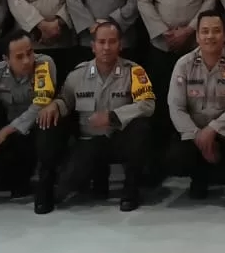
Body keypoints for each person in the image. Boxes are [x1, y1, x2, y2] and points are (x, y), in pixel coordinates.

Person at [48, 20, 155, 211]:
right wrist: (54, 106)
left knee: (141, 129)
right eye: (101, 42)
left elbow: (147, 104)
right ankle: (92, 178)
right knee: (64, 188)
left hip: (120, 139)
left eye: (112, 42)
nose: (106, 47)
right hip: (90, 141)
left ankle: (131, 189)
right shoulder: (78, 74)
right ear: (93, 46)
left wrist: (113, 116)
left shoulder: (134, 71)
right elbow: (65, 100)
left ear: (120, 45)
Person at [137, 0, 217, 160]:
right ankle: (159, 158)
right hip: (162, 44)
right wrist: (163, 32)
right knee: (161, 101)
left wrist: (190, 30)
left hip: (194, 44)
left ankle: (195, 154)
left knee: (196, 100)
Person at [166, 10, 225, 208]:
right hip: (196, 133)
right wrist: (197, 136)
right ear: (197, 36)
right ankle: (199, 178)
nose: (210, 36)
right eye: (205, 31)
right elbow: (176, 106)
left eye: (216, 31)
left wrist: (214, 129)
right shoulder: (183, 64)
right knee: (175, 156)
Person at [0, 30, 63, 213]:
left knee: (47, 129)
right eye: (19, 57)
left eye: (30, 53)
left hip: (40, 127)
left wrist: (4, 132)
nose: (27, 60)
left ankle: (46, 187)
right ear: (6, 59)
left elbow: (39, 105)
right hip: (14, 134)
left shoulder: (45, 64)